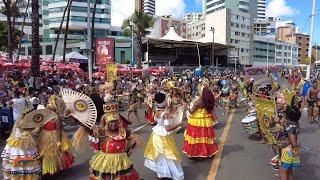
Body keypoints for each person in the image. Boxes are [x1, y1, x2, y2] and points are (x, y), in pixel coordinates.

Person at [89, 99, 141, 180]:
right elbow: (89, 130)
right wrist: (76, 119)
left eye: (115, 122)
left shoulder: (124, 132)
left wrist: (130, 148)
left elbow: (134, 138)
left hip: (122, 162)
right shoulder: (103, 132)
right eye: (111, 122)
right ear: (107, 123)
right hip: (106, 163)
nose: (113, 124)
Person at [144, 91, 184, 180]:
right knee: (168, 154)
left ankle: (162, 173)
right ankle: (169, 173)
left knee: (161, 156)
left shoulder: (156, 111)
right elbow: (168, 128)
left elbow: (160, 120)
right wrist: (179, 124)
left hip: (156, 134)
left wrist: (172, 113)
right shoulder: (164, 114)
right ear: (165, 101)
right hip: (163, 135)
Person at [1, 108, 42, 180]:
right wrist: (37, 128)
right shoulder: (27, 122)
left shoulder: (18, 120)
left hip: (14, 143)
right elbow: (30, 133)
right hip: (24, 144)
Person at [38, 95, 74, 175]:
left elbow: (58, 131)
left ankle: (58, 167)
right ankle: (48, 168)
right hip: (45, 137)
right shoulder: (45, 117)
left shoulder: (56, 118)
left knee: (57, 153)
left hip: (54, 137)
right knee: (47, 154)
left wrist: (58, 141)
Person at [183, 84, 219, 158]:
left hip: (197, 122)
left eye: (200, 90)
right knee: (205, 138)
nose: (198, 91)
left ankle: (197, 153)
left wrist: (185, 106)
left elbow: (191, 111)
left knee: (196, 138)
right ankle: (205, 152)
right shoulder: (207, 101)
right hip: (206, 121)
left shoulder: (198, 102)